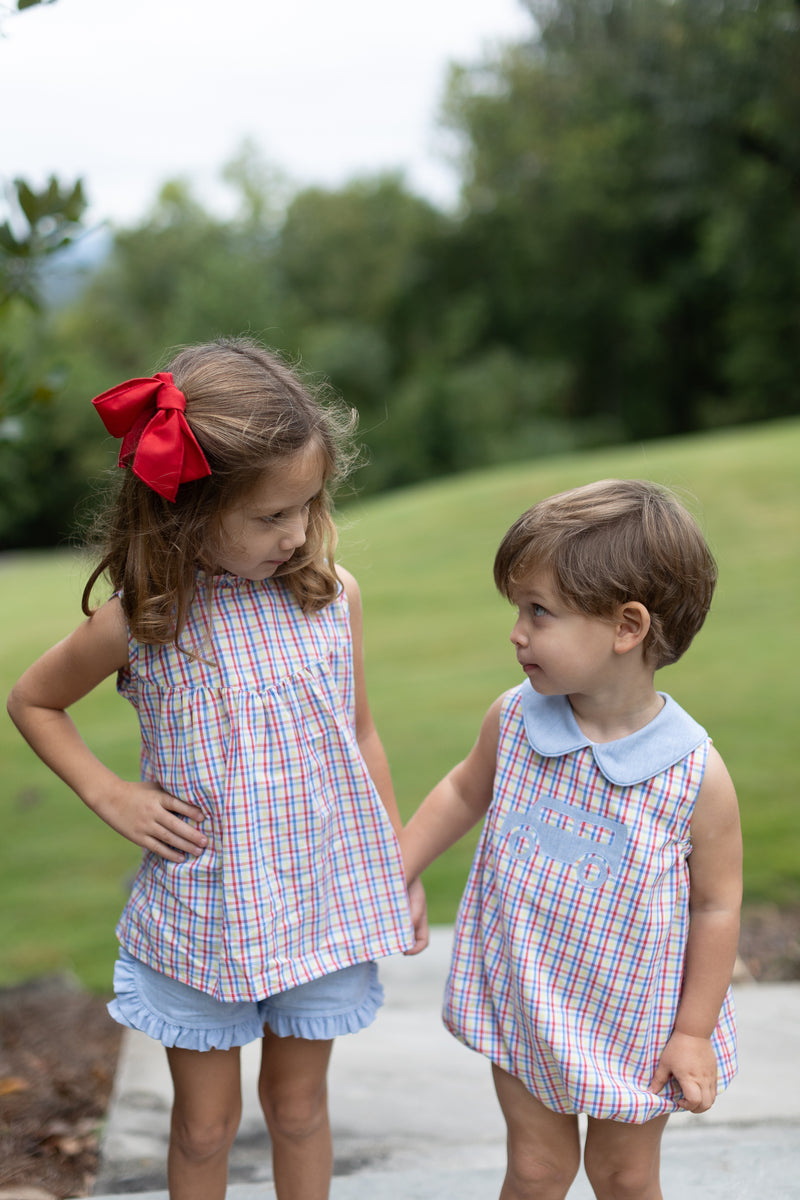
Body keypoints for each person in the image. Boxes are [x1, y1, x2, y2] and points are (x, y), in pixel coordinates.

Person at [7, 337, 426, 1200]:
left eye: (308, 506)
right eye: (272, 517)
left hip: (321, 899)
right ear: (188, 510)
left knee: (302, 1109)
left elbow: (361, 735)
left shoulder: (330, 597)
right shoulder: (145, 619)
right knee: (204, 1127)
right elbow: (33, 701)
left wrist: (394, 865)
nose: (299, 532)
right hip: (205, 914)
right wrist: (108, 792)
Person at [400, 479, 741, 1200]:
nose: (517, 632)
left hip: (636, 1020)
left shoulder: (692, 776)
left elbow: (715, 907)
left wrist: (692, 1032)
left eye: (539, 612)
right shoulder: (517, 720)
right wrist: (395, 869)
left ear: (626, 627)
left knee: (621, 1177)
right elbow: (465, 789)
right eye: (518, 609)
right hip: (527, 994)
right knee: (535, 1171)